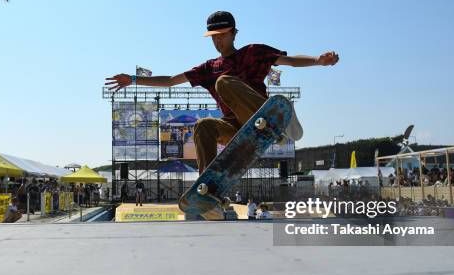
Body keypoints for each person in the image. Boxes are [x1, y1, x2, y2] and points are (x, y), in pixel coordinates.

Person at [106, 11, 339, 172]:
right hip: (236, 129)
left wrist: (318, 60)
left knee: (224, 82)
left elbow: (290, 61)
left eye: (222, 36)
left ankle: (274, 121)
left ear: (234, 33)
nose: (218, 42)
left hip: (259, 115)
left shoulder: (253, 52)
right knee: (203, 126)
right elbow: (169, 81)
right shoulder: (209, 68)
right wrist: (133, 80)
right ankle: (208, 186)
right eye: (214, 38)